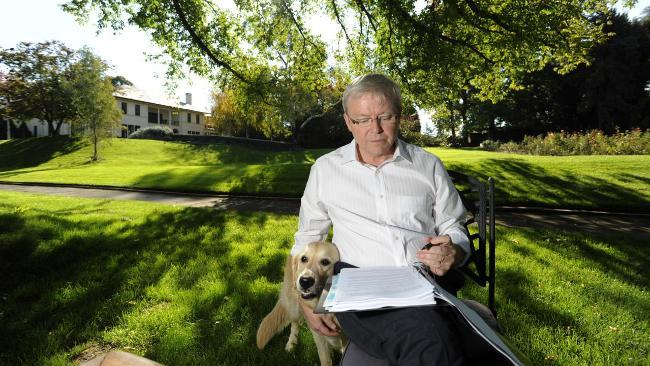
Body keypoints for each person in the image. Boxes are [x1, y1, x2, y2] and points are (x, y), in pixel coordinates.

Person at [291, 73, 471, 365]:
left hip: (424, 281)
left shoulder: (428, 165)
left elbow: (454, 226)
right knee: (429, 336)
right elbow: (308, 240)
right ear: (348, 122)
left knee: (429, 331)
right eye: (362, 120)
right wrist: (306, 297)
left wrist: (455, 250)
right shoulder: (325, 170)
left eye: (384, 117)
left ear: (399, 117)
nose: (374, 129)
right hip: (357, 287)